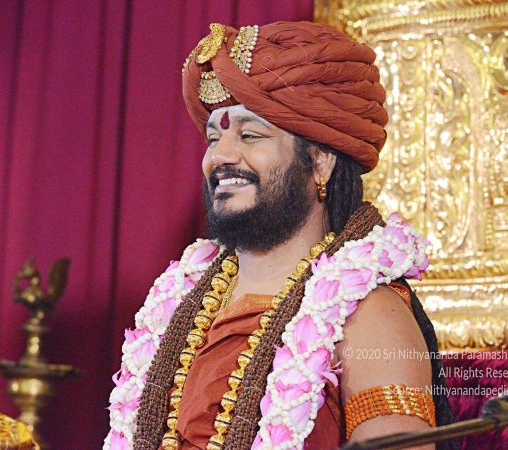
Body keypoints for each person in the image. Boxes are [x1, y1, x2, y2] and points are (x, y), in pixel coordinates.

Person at [105, 21, 455, 450]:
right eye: (214, 137)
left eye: (250, 135)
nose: (220, 156)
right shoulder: (180, 303)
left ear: (320, 161)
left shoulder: (370, 315)